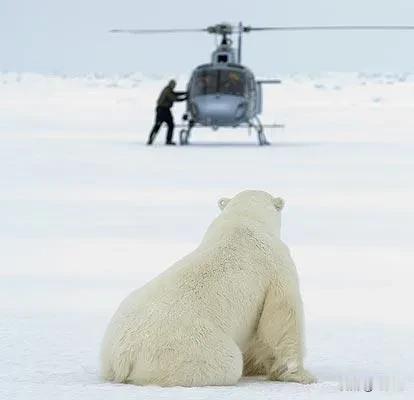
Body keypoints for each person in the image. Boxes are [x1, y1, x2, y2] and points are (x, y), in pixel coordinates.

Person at [147, 80, 187, 145]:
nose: (174, 86)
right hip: (163, 110)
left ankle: (151, 140)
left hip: (161, 110)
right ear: (171, 85)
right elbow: (173, 98)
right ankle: (168, 141)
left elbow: (175, 93)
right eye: (173, 85)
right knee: (169, 125)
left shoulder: (167, 89)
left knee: (158, 125)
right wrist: (184, 99)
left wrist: (184, 93)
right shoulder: (168, 91)